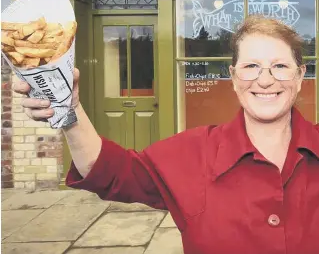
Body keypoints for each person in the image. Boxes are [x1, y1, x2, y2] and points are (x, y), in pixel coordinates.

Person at [13, 16, 319, 254]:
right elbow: (112, 172)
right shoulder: (192, 153)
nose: (265, 80)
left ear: (301, 75)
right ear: (233, 77)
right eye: (251, 66)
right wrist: (70, 109)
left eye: (280, 66)